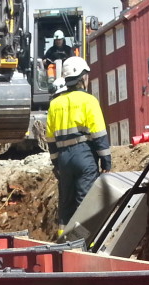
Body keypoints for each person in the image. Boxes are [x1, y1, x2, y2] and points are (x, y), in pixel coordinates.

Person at [45, 56, 111, 235]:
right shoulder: (89, 101)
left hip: (64, 158)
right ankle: (84, 244)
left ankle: (63, 242)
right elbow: (99, 134)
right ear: (82, 77)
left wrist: (57, 164)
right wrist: (106, 161)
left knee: (66, 205)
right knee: (85, 202)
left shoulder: (55, 104)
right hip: (84, 154)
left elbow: (50, 140)